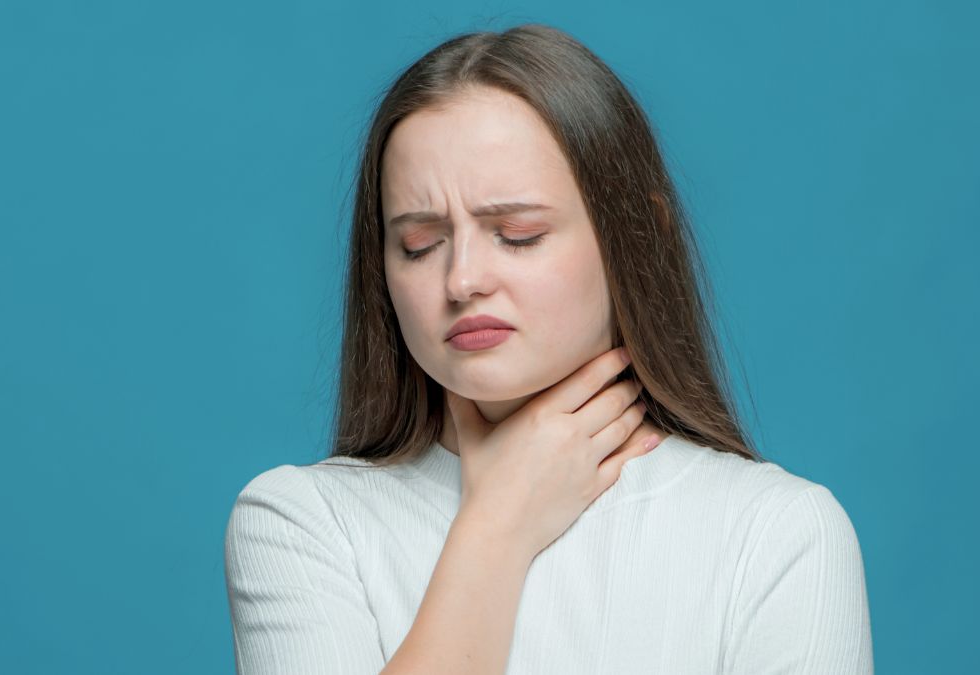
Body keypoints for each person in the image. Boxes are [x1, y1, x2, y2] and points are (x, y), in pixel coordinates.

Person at [224, 23, 873, 675]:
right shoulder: (300, 523)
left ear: (637, 239)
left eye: (519, 233)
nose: (463, 279)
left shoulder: (778, 533)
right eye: (420, 243)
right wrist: (495, 529)